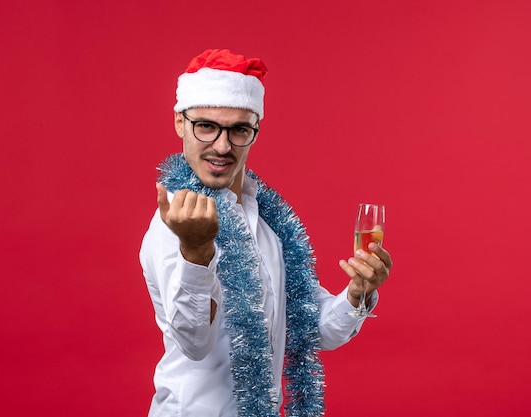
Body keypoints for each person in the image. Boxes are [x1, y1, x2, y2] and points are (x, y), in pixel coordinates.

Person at [139, 49, 393, 417]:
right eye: (206, 126)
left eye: (239, 129)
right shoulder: (175, 222)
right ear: (180, 123)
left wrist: (357, 294)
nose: (222, 146)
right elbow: (194, 342)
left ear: (255, 130)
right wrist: (196, 253)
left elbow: (312, 329)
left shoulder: (267, 220)